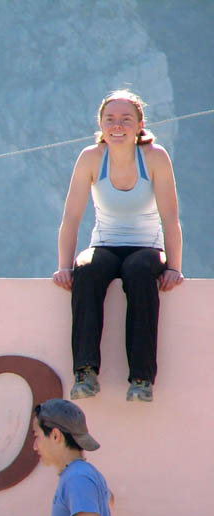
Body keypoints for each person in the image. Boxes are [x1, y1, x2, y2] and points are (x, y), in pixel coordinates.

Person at [54, 89, 184, 403]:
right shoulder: (90, 158)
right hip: (105, 244)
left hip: (146, 247)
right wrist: (64, 266)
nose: (117, 125)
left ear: (139, 124)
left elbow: (170, 217)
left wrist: (175, 267)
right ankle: (85, 372)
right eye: (110, 119)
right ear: (100, 123)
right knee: (87, 269)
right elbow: (71, 217)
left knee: (138, 271)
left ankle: (141, 379)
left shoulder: (154, 158)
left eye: (126, 119)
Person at [0, 398, 115, 516]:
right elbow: (109, 499)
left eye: (37, 436)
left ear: (56, 435)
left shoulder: (77, 477)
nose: (35, 446)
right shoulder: (84, 474)